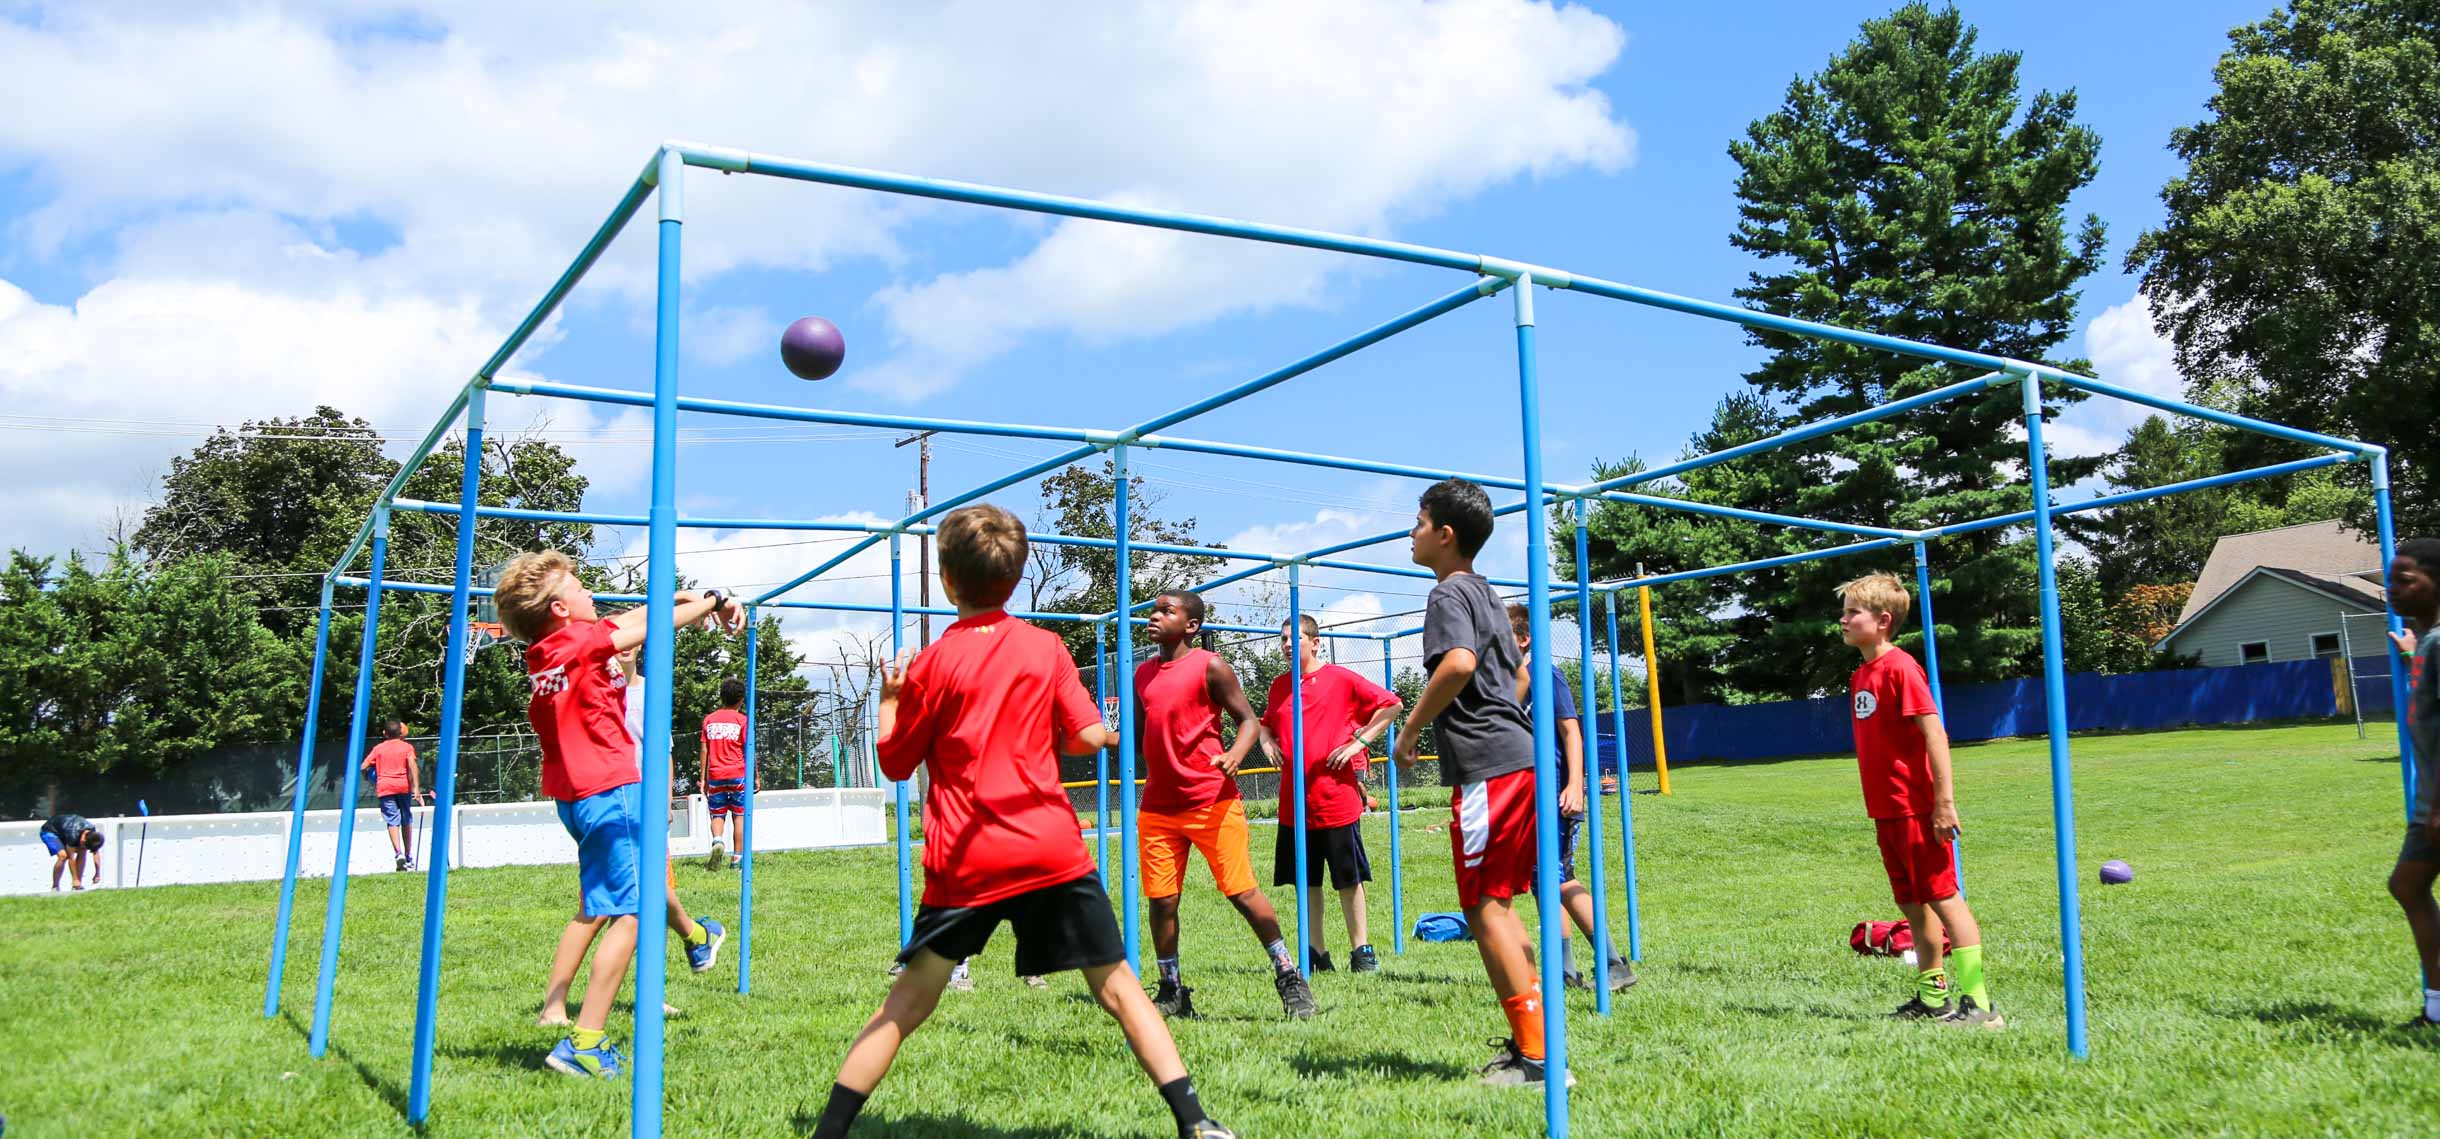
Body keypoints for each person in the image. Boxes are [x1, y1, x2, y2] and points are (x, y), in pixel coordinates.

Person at [807, 503, 1232, 1139]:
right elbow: (1088, 734)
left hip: (968, 857)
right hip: (1049, 848)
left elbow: (896, 763)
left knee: (908, 1002)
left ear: (948, 580)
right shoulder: (1046, 647)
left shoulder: (928, 665)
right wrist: (1083, 731)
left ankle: (829, 1132)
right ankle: (1196, 1123)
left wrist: (890, 705)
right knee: (1118, 986)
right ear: (1015, 576)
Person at [493, 554, 741, 1078]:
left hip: (575, 797)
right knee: (631, 913)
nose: (592, 596)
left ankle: (695, 939)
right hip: (612, 790)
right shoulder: (581, 642)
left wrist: (700, 597)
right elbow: (645, 624)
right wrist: (714, 603)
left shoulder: (548, 651)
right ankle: (585, 1043)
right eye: (582, 590)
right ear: (561, 608)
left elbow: (633, 618)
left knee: (619, 902)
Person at [1391, 478, 1565, 1088]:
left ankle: (1540, 1059)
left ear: (1445, 535)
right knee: (1501, 902)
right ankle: (1537, 1044)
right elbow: (1517, 674)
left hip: (1489, 768)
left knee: (1484, 905)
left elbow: (1460, 665)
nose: (1409, 533)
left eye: (1417, 522)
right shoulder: (1487, 592)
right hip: (1516, 757)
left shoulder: (1445, 596)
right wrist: (1504, 718)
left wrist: (1411, 731)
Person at [1134, 589, 1317, 1020]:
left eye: (1167, 611)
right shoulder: (1142, 674)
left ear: (1191, 626)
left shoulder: (1210, 667)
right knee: (1161, 901)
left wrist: (1236, 754)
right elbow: (1139, 737)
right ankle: (1172, 989)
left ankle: (1289, 977)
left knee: (1241, 892)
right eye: (1154, 610)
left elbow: (1249, 721)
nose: (1155, 616)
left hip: (1211, 802)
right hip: (1158, 808)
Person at [536, 635, 726, 1029]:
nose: (624, 648)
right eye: (618, 643)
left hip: (641, 803)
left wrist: (664, 800)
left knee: (640, 904)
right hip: (610, 802)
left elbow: (663, 752)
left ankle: (666, 976)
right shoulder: (597, 689)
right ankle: (695, 940)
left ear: (642, 648)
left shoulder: (650, 694)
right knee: (610, 907)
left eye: (633, 643)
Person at [1838, 571, 2000, 1029]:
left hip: (1916, 809)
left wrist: (1944, 803)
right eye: (1845, 611)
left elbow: (1935, 734)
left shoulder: (1901, 669)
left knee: (1945, 899)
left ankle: (1981, 1005)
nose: (1844, 620)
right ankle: (1934, 998)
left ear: (1883, 620)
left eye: (1853, 612)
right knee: (1913, 904)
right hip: (1886, 811)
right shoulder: (1861, 675)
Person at [1258, 613, 1401, 974]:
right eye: (1284, 639)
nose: (1289, 644)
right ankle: (1316, 953)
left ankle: (1361, 950)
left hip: (1335, 801)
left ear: (1315, 642)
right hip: (1295, 804)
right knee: (1307, 882)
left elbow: (1393, 705)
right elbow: (1263, 724)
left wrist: (1358, 743)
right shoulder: (1279, 686)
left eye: (1296, 638)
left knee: (1348, 879)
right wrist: (1266, 741)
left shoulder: (1339, 678)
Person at [1507, 604, 1635, 993]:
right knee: (1541, 882)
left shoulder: (1545, 674)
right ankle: (1565, 971)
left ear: (1523, 639)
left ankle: (1614, 962)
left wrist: (1575, 784)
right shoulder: (1504, 682)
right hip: (1522, 796)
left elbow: (1571, 731)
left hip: (1555, 796)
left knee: (1559, 878)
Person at [2383, 538, 2440, 1028]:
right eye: (2390, 581)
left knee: (2409, 883)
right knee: (2407, 884)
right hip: (2431, 801)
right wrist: (2410, 651)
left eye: (2404, 581)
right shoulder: (2428, 642)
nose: (2392, 591)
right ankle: (2438, 1008)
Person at [361, 721, 427, 872]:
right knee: (406, 819)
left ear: (385, 733)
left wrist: (368, 777)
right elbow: (413, 767)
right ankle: (409, 856)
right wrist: (416, 789)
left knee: (392, 820)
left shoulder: (378, 749)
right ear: (401, 733)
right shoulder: (407, 748)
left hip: (385, 787)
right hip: (403, 786)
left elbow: (363, 766)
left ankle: (398, 854)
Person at [701, 677, 750, 869]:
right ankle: (737, 858)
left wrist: (703, 778)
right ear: (741, 700)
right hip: (738, 773)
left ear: (721, 697)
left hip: (716, 774)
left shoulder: (709, 720)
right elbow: (748, 748)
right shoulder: (742, 720)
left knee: (717, 814)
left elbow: (704, 750)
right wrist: (755, 776)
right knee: (739, 815)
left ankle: (718, 841)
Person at [40, 813, 104, 892]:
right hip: (50, 831)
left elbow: (96, 853)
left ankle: (77, 885)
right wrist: (74, 879)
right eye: (84, 844)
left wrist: (97, 873)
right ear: (83, 840)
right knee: (63, 856)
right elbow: (71, 859)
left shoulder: (92, 833)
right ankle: (55, 886)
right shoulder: (72, 835)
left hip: (65, 831)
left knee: (82, 851)